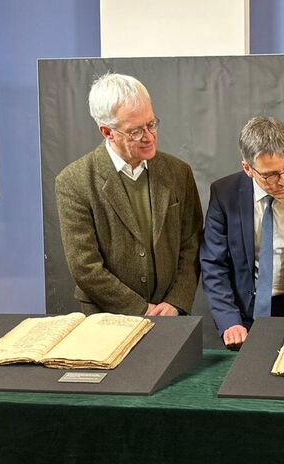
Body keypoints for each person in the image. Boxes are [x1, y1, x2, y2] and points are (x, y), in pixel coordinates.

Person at [56, 73, 202, 316]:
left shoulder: (179, 172)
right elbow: (85, 266)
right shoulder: (74, 182)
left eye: (151, 124)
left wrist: (176, 301)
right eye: (135, 131)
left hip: (170, 314)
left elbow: (192, 243)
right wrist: (140, 308)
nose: (148, 136)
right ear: (107, 131)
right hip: (106, 318)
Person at [200, 117, 284, 349]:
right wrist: (229, 320)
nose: (283, 182)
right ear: (248, 168)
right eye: (270, 175)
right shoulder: (224, 194)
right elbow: (213, 264)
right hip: (244, 316)